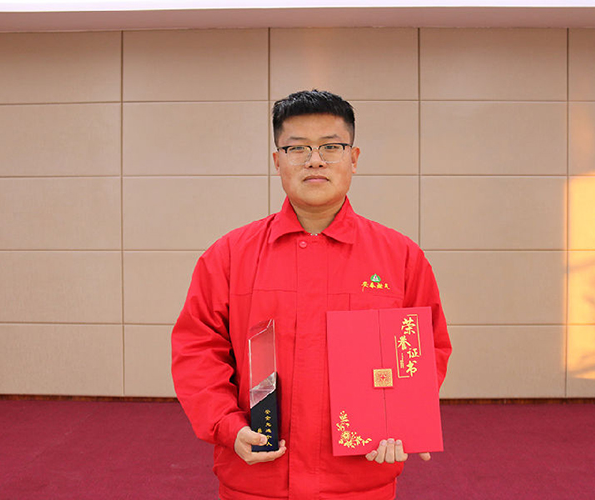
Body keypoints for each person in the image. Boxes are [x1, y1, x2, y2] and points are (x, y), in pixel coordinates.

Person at [171, 89, 451, 500]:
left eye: (331, 147)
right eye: (297, 148)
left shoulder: (400, 257)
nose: (314, 160)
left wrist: (400, 418)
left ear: (354, 158)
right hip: (258, 478)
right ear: (277, 161)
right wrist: (227, 426)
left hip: (359, 478)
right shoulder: (229, 256)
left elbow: (427, 349)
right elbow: (197, 350)